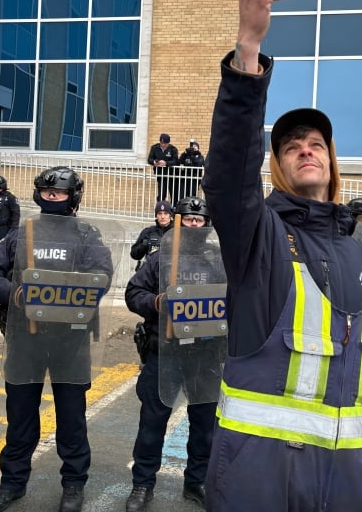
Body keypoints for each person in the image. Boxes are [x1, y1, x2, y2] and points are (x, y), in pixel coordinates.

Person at [200, 0, 362, 512]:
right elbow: (228, 178)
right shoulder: (262, 240)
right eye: (292, 146)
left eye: (316, 144)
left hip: (356, 483)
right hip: (260, 481)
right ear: (277, 163)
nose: (306, 150)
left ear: (331, 161)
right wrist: (248, 47)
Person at [0, 166, 114, 512]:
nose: (52, 198)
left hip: (71, 340)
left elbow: (101, 278)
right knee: (20, 416)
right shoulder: (21, 234)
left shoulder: (86, 235)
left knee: (71, 418)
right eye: (47, 192)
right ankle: (12, 484)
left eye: (59, 193)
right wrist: (17, 294)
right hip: (25, 338)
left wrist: (66, 293)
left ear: (73, 197)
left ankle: (73, 485)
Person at [124, 196, 224, 512]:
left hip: (206, 355)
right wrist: (156, 303)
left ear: (206, 224)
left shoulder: (219, 260)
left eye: (199, 220)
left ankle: (197, 482)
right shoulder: (160, 259)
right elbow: (133, 293)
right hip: (164, 353)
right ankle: (142, 484)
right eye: (188, 220)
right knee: (152, 423)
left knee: (205, 425)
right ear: (178, 222)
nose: (193, 225)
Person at [130, 200, 173, 271]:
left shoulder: (176, 232)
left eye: (165, 213)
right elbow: (134, 254)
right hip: (151, 272)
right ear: (156, 215)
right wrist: (144, 244)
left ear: (170, 215)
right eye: (159, 213)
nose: (162, 217)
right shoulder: (148, 232)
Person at [147, 133, 179, 202]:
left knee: (173, 193)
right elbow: (149, 159)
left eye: (165, 143)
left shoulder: (173, 149)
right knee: (161, 193)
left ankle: (174, 210)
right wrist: (154, 162)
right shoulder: (154, 148)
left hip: (171, 175)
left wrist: (166, 163)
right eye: (162, 143)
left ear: (168, 143)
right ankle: (160, 209)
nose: (163, 145)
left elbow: (176, 161)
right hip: (160, 174)